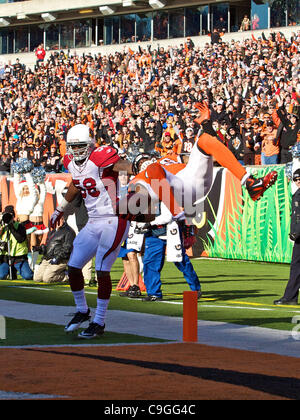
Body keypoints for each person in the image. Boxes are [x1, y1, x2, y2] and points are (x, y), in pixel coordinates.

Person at [50, 124, 136, 339]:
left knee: (101, 269)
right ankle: (82, 311)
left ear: (90, 145)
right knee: (73, 266)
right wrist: (60, 208)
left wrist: (122, 175)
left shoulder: (100, 159)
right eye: (73, 146)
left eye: (80, 146)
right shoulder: (70, 162)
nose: (76, 150)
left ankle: (99, 321)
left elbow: (127, 167)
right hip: (94, 220)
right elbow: (76, 184)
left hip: (114, 220)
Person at [128, 102, 278, 225]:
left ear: (148, 157)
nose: (142, 164)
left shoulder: (168, 158)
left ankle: (250, 182)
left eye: (143, 161)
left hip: (190, 180)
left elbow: (211, 151)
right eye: (139, 165)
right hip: (173, 194)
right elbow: (137, 200)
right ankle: (176, 212)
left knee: (205, 140)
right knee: (149, 176)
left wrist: (206, 124)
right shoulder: (143, 176)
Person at [140, 202, 201, 301]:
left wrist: (149, 223)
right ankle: (153, 293)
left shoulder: (165, 195)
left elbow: (167, 216)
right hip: (153, 234)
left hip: (171, 231)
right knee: (150, 263)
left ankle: (195, 288)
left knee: (181, 261)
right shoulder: (144, 197)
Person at [274, 169, 300, 305]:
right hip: (298, 237)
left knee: (296, 266)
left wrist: (296, 232)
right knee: (296, 267)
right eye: (296, 179)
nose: (298, 182)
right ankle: (290, 296)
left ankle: (290, 297)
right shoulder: (297, 193)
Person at [34, 216, 76, 284]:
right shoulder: (52, 231)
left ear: (63, 219)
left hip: (60, 259)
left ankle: (68, 275)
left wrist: (57, 258)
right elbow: (48, 246)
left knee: (47, 279)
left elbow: (67, 248)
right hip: (48, 258)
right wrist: (40, 248)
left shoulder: (69, 232)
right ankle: (59, 272)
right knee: (37, 278)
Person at [0, 205, 33, 280]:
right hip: (5, 259)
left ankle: (15, 269)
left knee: (28, 276)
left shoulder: (20, 226)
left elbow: (20, 239)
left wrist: (11, 226)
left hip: (19, 258)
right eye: (6, 215)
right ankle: (9, 270)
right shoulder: (2, 227)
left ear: (13, 216)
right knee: (1, 276)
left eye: (10, 215)